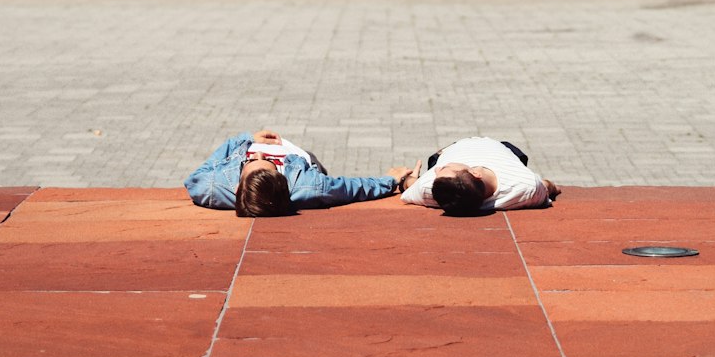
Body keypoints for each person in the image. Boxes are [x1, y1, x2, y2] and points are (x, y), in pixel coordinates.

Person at [185, 129, 414, 216]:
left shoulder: (212, 187)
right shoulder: (310, 185)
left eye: (252, 162)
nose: (260, 155)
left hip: (253, 141)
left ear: (237, 187)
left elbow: (205, 167)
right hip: (300, 159)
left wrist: (245, 140)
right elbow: (351, 188)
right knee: (316, 164)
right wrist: (391, 180)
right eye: (265, 161)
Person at [400, 137, 560, 216]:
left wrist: (405, 180)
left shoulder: (428, 187)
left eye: (443, 168)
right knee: (514, 152)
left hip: (452, 148)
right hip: (500, 147)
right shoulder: (526, 184)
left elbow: (411, 185)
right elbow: (545, 187)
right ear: (475, 173)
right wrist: (552, 187)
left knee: (436, 159)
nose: (438, 169)